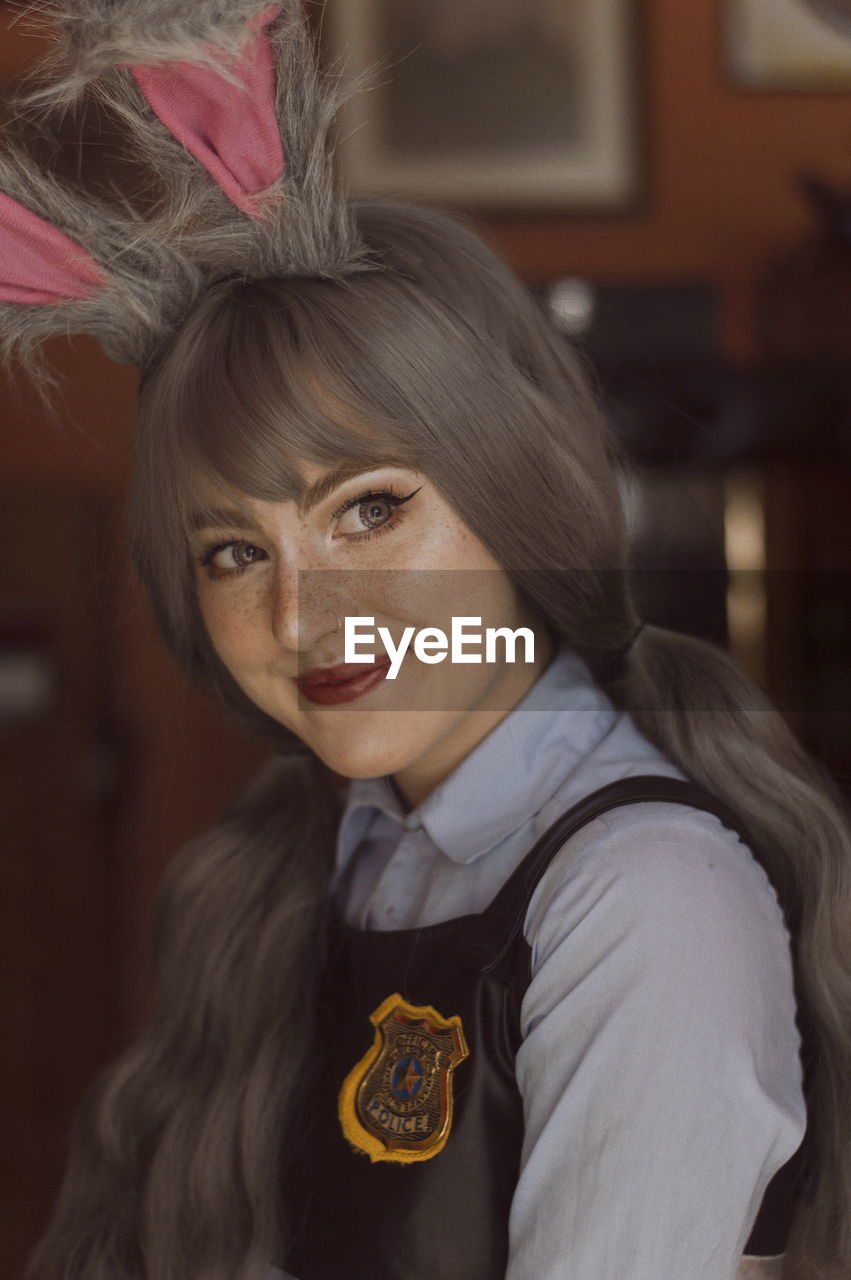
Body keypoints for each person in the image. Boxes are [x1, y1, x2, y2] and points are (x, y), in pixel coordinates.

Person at [1, 4, 849, 1279]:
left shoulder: (645, 901)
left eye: (370, 508)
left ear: (518, 497)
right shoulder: (332, 846)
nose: (303, 616)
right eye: (235, 550)